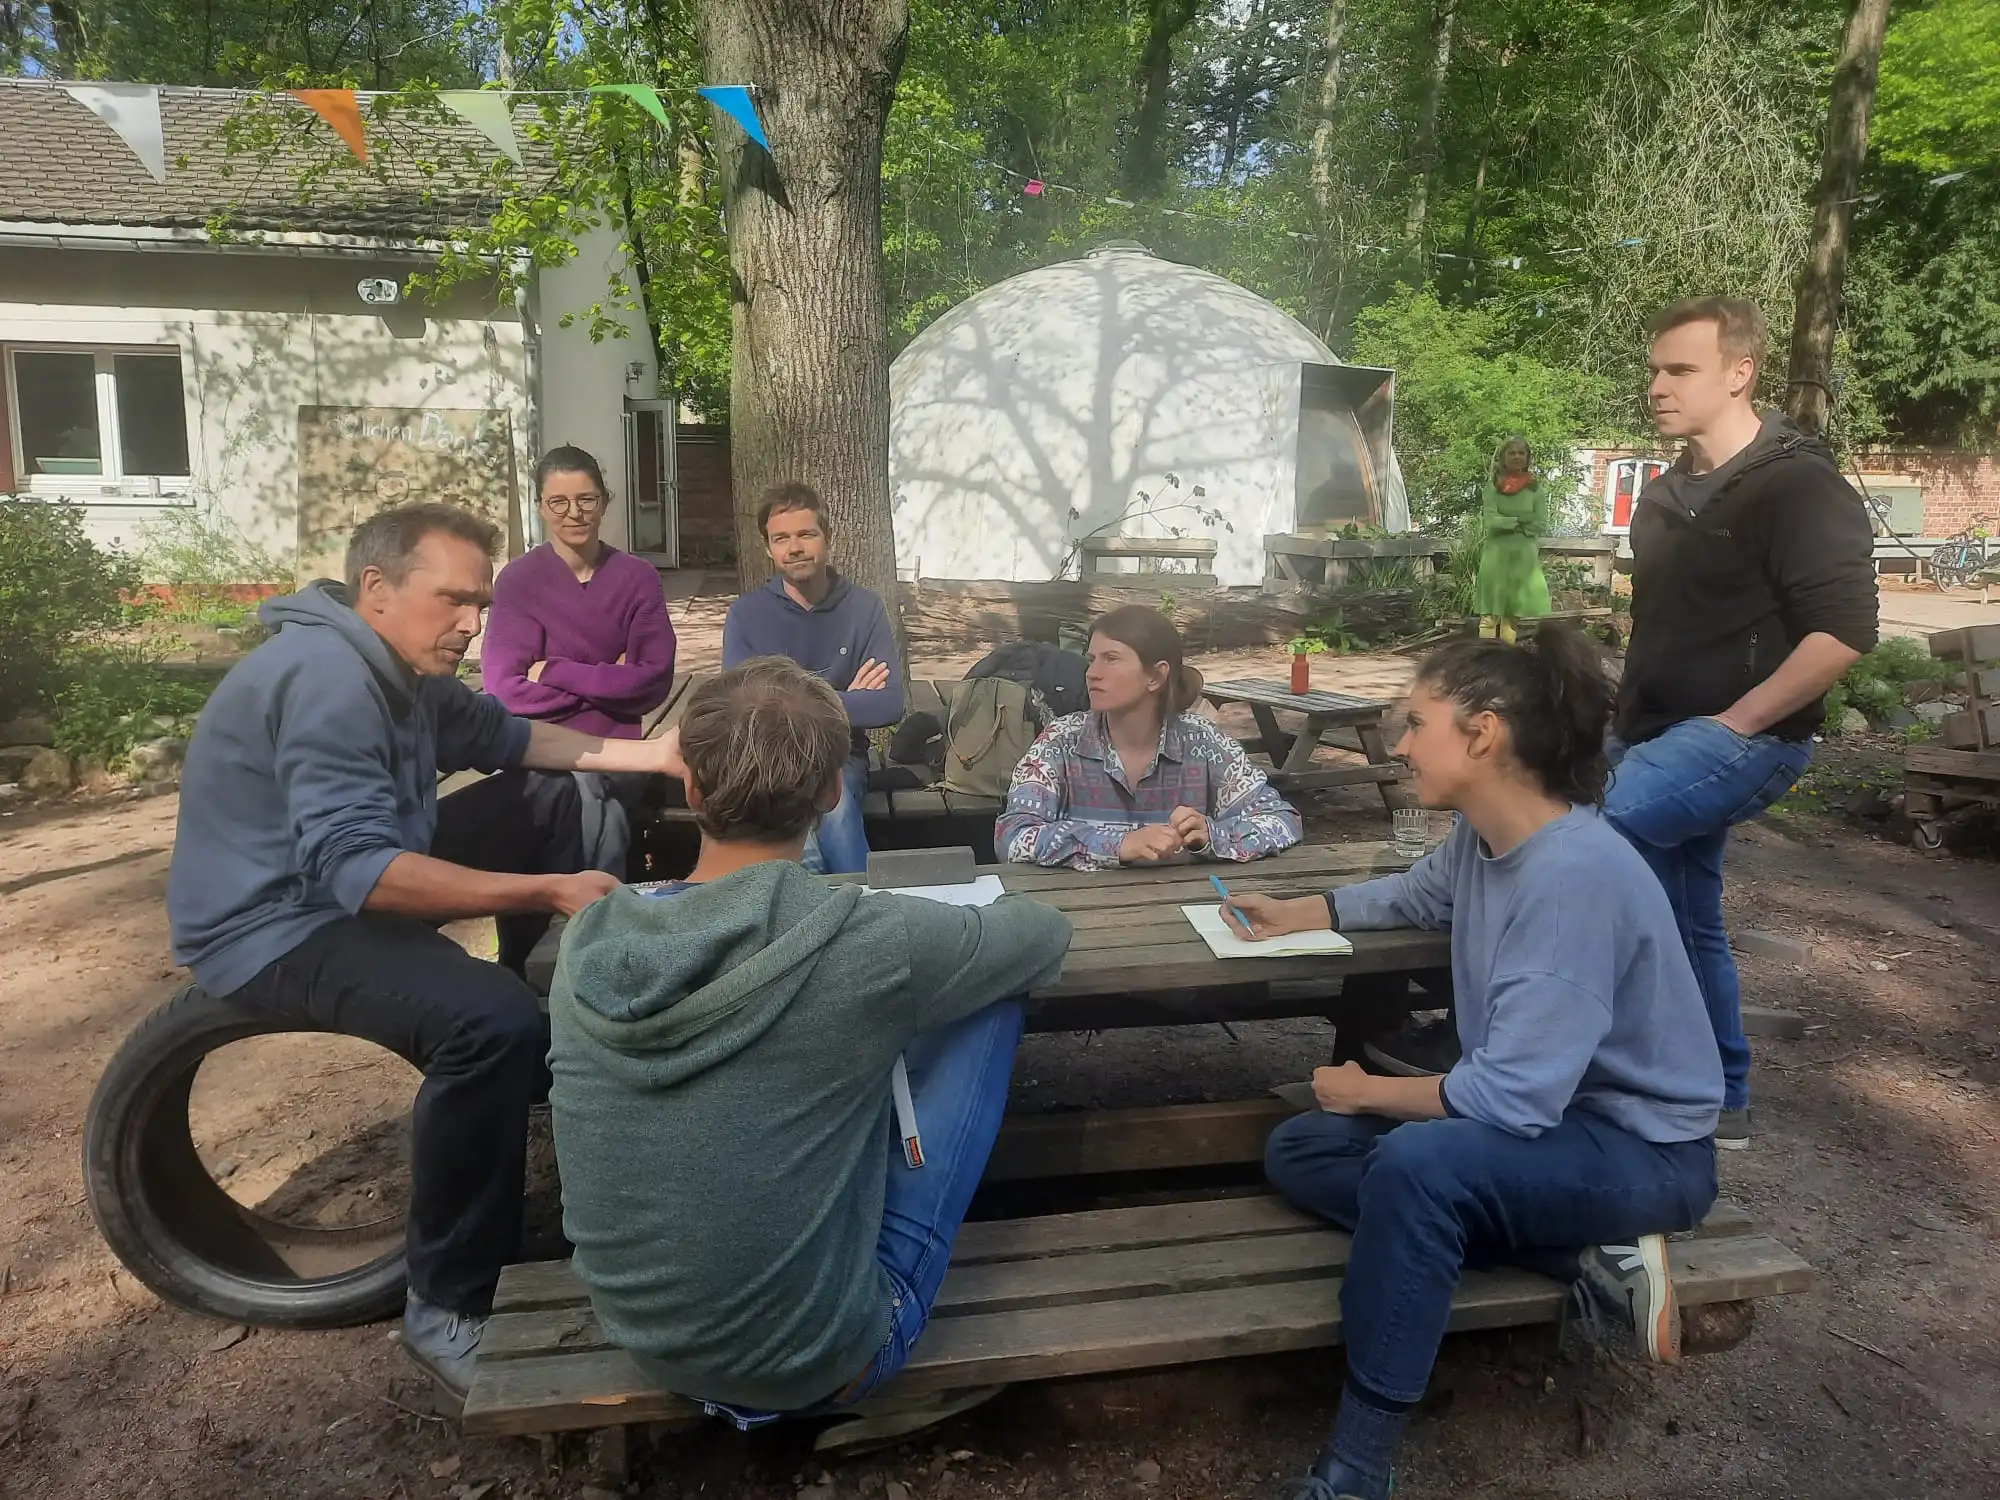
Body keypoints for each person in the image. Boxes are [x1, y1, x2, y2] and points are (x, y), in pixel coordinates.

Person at [167, 503, 683, 1409]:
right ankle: (445, 1305)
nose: (473, 626)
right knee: (486, 1020)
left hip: (341, 879)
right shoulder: (328, 679)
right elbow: (363, 877)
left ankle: (549, 1018)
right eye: (452, 600)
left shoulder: (398, 669)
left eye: (480, 603)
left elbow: (518, 739)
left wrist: (657, 758)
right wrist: (545, 891)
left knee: (556, 801)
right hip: (276, 922)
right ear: (377, 589)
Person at [1219, 629, 1723, 1500]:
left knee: (1417, 1165)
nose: (1402, 744)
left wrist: (1366, 1087)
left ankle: (1354, 1470)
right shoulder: (1488, 839)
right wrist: (1299, 908)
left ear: (1484, 733)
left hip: (1639, 1153)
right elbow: (1416, 894)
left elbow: (1510, 1098)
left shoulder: (1571, 879)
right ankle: (1587, 1260)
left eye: (1418, 723)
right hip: (1554, 1132)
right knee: (1302, 1148)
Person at [547, 657, 1073, 1417]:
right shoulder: (870, 938)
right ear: (832, 794)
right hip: (826, 1357)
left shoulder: (591, 939)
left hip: (647, 1339)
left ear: (690, 787)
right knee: (991, 992)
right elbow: (1041, 937)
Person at [1607, 296, 1876, 1147]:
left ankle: (1500, 1045)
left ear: (1739, 372)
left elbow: (1843, 635)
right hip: (1649, 731)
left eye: (1679, 369)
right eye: (1653, 368)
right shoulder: (1662, 497)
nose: (1657, 385)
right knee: (1687, 917)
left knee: (1564, 838)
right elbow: (1660, 631)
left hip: (1748, 740)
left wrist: (1732, 725)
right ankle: (1721, 1096)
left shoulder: (1797, 483)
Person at [483, 445, 678, 871]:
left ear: (604, 502)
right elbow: (505, 690)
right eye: (558, 501)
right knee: (583, 800)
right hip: (540, 749)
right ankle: (594, 915)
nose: (574, 512)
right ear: (540, 507)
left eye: (586, 499)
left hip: (618, 753)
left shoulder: (637, 578)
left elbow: (653, 681)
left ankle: (574, 922)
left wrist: (555, 670)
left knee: (589, 794)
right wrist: (610, 683)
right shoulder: (519, 582)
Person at [997, 604, 1302, 869]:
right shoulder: (1060, 741)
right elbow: (1012, 836)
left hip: (1184, 912)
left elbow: (1283, 821)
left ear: (1156, 676)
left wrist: (1213, 835)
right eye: (1092, 659)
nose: (1092, 673)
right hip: (1080, 915)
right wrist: (1117, 845)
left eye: (1111, 658)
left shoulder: (1204, 743)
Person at [721, 483, 903, 874]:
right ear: (769, 548)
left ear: (827, 537)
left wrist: (781, 699)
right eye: (781, 538)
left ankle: (852, 907)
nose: (795, 547)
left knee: (832, 806)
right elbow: (738, 707)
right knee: (795, 820)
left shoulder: (864, 608)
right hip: (770, 756)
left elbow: (889, 703)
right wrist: (842, 699)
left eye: (806, 534)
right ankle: (853, 914)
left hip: (840, 753)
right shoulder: (746, 614)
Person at [1472, 436, 1552, 643]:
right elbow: (1491, 521)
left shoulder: (1535, 489)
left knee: (1511, 618)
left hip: (1523, 557)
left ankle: (1506, 662)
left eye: (1521, 453)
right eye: (1512, 453)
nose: (1517, 457)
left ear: (1528, 458)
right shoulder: (1492, 487)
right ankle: (1485, 660)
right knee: (1489, 616)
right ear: (1503, 457)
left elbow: (1541, 524)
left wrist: (1508, 522)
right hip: (1496, 556)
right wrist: (1522, 520)